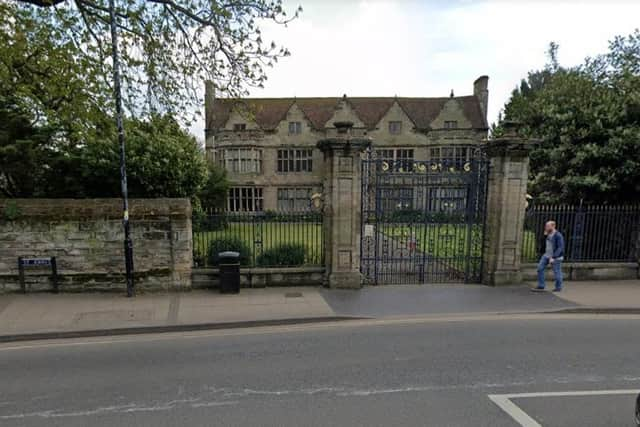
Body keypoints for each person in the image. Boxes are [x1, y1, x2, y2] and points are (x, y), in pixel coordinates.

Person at [533, 220, 565, 292]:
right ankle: (541, 285)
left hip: (556, 257)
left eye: (548, 226)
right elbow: (543, 244)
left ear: (553, 226)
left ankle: (558, 287)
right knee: (540, 268)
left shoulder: (558, 235)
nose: (546, 227)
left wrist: (554, 257)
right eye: (546, 226)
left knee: (557, 272)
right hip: (546, 255)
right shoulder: (547, 234)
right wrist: (544, 236)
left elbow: (560, 247)